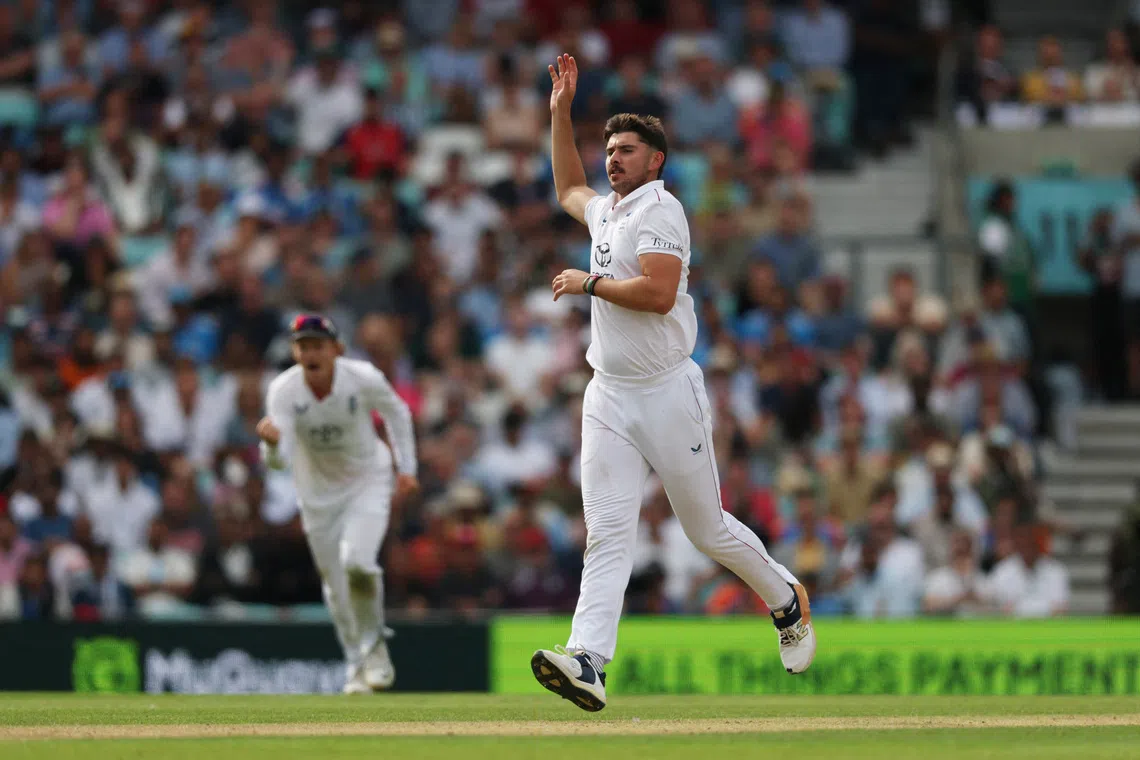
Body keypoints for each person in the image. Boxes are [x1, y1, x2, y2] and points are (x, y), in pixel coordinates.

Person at [531, 55, 815, 713]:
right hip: (608, 392)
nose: (613, 159)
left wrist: (589, 282)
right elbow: (568, 188)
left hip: (665, 390)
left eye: (626, 150)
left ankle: (785, 601)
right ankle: (589, 661)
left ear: (655, 160)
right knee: (607, 532)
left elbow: (658, 295)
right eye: (609, 150)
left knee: (705, 530)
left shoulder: (661, 211)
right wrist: (560, 113)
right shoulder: (607, 212)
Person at [257, 314, 418, 695]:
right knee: (335, 585)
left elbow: (397, 411)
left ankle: (375, 652)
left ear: (337, 350)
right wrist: (271, 445)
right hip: (317, 496)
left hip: (367, 480)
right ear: (294, 352)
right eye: (303, 346)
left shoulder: (363, 377)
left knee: (358, 563)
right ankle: (355, 664)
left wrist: (407, 468)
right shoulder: (283, 391)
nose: (311, 354)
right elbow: (280, 461)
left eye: (318, 345)